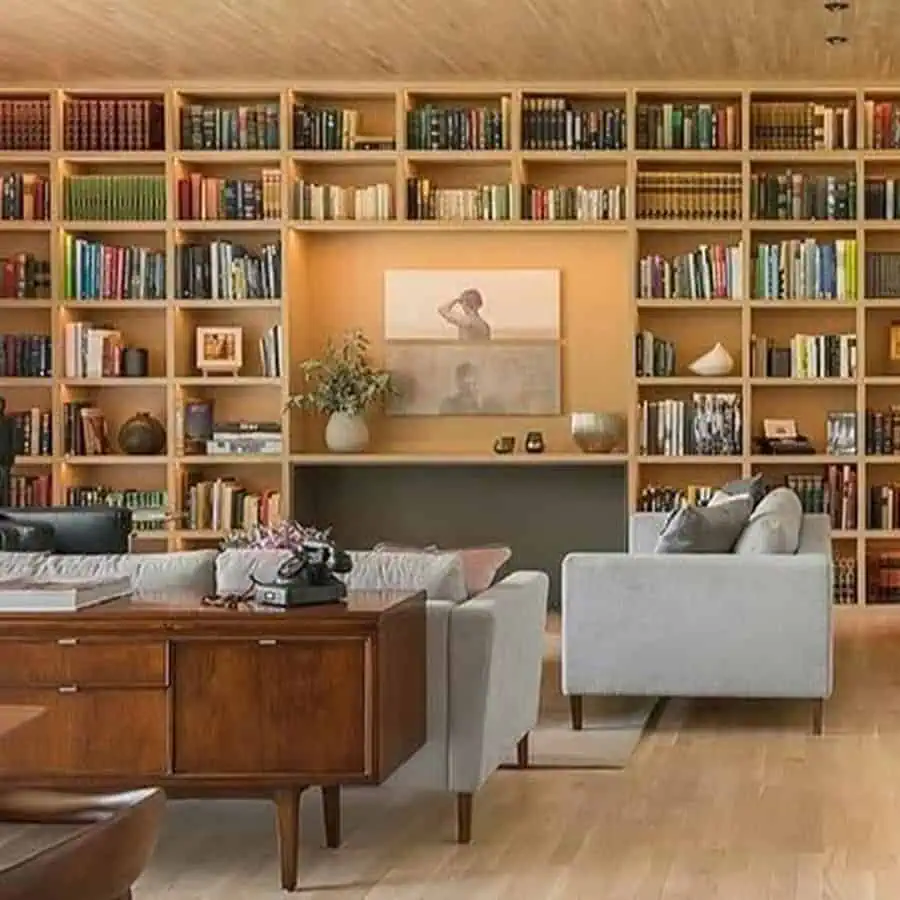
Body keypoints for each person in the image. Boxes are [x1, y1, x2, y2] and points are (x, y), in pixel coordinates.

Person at [439, 362, 504, 415]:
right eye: (467, 385)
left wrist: (479, 406)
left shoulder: (493, 405)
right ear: (458, 383)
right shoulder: (449, 404)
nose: (470, 389)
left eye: (474, 384)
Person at [0, 397, 15, 508]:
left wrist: (10, 457)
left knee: (4, 491)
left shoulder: (8, 421)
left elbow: (13, 440)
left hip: (4, 461)